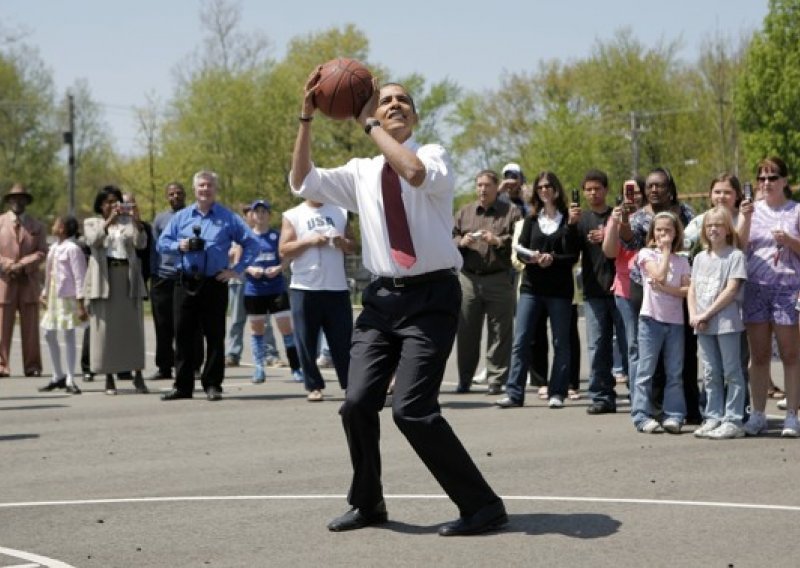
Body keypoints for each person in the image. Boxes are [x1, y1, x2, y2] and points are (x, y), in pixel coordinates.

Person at [290, 76, 506, 536]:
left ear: (415, 115)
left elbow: (412, 173)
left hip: (431, 297)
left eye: (402, 100)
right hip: (382, 299)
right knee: (356, 404)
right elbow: (301, 180)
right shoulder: (360, 171)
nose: (394, 105)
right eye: (384, 100)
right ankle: (368, 503)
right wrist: (307, 118)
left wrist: (368, 122)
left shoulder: (432, 155)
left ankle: (483, 505)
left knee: (411, 409)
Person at [157, 170, 261, 401]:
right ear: (194, 190)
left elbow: (252, 243)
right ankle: (182, 386)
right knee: (182, 335)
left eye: (209, 185)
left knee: (214, 335)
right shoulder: (182, 217)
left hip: (214, 282)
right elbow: (161, 243)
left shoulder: (228, 218)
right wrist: (180, 245)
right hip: (185, 282)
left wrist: (236, 269)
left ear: (215, 189)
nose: (205, 189)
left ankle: (213, 384)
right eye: (201, 186)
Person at [620, 168, 701, 424]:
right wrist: (622, 222)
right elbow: (629, 243)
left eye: (660, 185)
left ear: (670, 187)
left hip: (679, 287)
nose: (654, 190)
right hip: (645, 290)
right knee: (649, 358)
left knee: (682, 355)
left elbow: (695, 243)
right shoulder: (637, 217)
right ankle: (649, 411)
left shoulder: (685, 212)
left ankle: (684, 409)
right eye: (651, 186)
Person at [496, 171, 578, 409]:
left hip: (559, 290)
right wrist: (532, 258)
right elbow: (520, 249)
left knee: (561, 342)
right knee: (521, 340)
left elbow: (573, 254)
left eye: (548, 186)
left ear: (556, 189)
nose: (544, 191)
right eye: (540, 187)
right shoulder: (531, 219)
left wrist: (553, 258)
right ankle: (514, 393)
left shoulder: (567, 220)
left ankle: (558, 392)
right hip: (531, 288)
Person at [738, 157, 800, 437]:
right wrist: (746, 217)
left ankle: (791, 416)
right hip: (756, 286)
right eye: (761, 178)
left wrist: (790, 241)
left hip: (787, 286)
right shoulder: (751, 210)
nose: (766, 183)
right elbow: (738, 246)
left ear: (784, 181)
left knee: (790, 353)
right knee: (759, 354)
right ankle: (759, 413)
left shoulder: (795, 211)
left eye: (772, 177)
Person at [280, 197, 356, 401]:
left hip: (336, 287)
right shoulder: (293, 214)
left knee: (343, 340)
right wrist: (309, 241)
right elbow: (284, 249)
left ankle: (351, 386)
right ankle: (313, 386)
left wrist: (342, 243)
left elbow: (352, 246)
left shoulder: (341, 211)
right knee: (306, 340)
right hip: (305, 287)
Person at [453, 169, 521, 395]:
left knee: (500, 332)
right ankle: (465, 379)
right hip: (469, 278)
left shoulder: (510, 212)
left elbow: (521, 239)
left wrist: (499, 241)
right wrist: (461, 241)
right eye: (479, 185)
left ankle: (496, 379)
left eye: (487, 185)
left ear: (496, 188)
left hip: (499, 277)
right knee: (466, 331)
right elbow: (450, 236)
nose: (482, 189)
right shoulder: (465, 212)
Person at [688, 207, 747, 439]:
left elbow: (731, 290)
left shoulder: (735, 257)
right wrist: (694, 315)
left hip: (726, 323)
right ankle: (713, 416)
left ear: (727, 229)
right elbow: (692, 289)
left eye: (719, 225)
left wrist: (706, 314)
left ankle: (733, 420)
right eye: (709, 225)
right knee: (711, 372)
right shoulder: (700, 258)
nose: (713, 229)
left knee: (732, 371)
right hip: (703, 324)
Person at [83, 185, 148, 395]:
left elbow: (141, 244)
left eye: (116, 201)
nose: (113, 205)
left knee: (133, 330)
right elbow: (93, 242)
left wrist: (137, 220)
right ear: (101, 205)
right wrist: (109, 221)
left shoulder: (129, 223)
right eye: (108, 202)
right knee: (106, 332)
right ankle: (109, 378)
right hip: (105, 279)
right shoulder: (92, 223)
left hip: (128, 278)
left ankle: (138, 375)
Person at [630, 212, 691, 433]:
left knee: (674, 371)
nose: (663, 234)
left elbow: (686, 290)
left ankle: (674, 414)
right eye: (659, 230)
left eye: (668, 230)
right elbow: (659, 275)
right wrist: (665, 252)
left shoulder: (683, 260)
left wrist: (668, 290)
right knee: (645, 370)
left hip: (675, 322)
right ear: (653, 233)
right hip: (651, 319)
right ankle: (641, 415)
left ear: (676, 233)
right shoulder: (646, 254)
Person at [567, 169, 621, 415]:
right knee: (598, 345)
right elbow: (569, 251)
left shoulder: (616, 216)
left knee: (629, 344)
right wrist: (571, 225)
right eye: (588, 189)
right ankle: (601, 395)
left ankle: (641, 395)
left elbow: (629, 244)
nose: (592, 193)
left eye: (597, 188)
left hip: (620, 289)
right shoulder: (582, 219)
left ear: (606, 190)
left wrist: (608, 234)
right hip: (593, 290)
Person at [242, 199, 303, 384]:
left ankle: (296, 368)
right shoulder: (246, 238)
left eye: (264, 211)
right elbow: (239, 261)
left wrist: (278, 268)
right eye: (257, 211)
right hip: (254, 290)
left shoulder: (277, 236)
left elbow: (287, 259)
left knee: (286, 329)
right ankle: (259, 369)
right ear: (251, 215)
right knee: (257, 331)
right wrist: (251, 269)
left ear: (269, 215)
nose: (260, 215)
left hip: (276, 289)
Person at [150, 182, 200, 380]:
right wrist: (154, 274)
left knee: (191, 324)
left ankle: (194, 366)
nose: (175, 196)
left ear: (185, 195)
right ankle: (164, 367)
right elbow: (155, 248)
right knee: (163, 325)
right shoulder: (160, 219)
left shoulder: (193, 216)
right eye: (171, 194)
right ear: (166, 197)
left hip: (187, 276)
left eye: (179, 193)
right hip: (163, 277)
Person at [603, 176, 646, 401]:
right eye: (628, 191)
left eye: (637, 191)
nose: (633, 196)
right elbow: (610, 252)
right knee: (634, 344)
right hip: (626, 288)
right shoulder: (617, 217)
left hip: (654, 287)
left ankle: (653, 391)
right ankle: (637, 394)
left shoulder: (651, 216)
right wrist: (617, 221)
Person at [225, 204, 282, 369]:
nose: (249, 216)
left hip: (258, 284)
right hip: (239, 281)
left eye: (252, 212)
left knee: (264, 320)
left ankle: (271, 354)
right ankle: (233, 354)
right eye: (247, 213)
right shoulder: (238, 233)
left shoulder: (263, 235)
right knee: (237, 319)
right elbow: (232, 255)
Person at [0, 184, 47, 377]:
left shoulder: (37, 226)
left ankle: (32, 366)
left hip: (28, 281)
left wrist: (24, 264)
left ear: (27, 201)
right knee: (2, 326)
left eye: (21, 198)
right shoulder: (0, 222)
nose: (17, 201)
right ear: (9, 200)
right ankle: (1, 365)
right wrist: (9, 264)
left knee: (30, 328)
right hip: (5, 281)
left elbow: (42, 252)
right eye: (14, 198)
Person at [38, 215, 87, 394]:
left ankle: (70, 378)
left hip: (68, 297)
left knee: (69, 335)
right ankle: (57, 375)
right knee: (48, 334)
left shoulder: (72, 249)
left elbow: (80, 276)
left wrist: (81, 304)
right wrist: (44, 293)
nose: (53, 226)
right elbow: (49, 274)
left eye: (56, 224)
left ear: (63, 229)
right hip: (54, 296)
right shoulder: (54, 248)